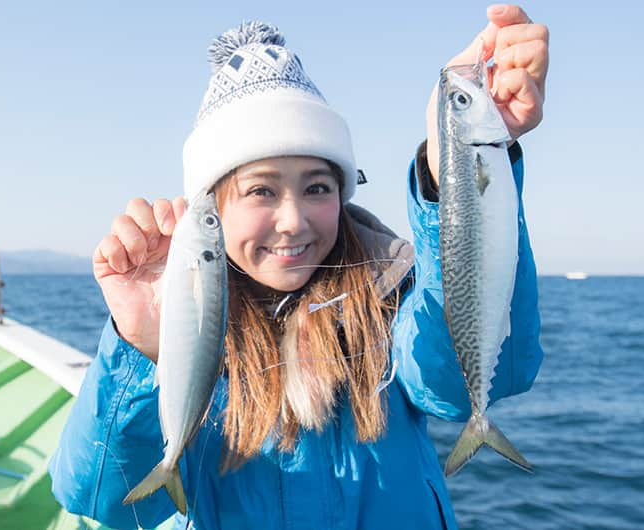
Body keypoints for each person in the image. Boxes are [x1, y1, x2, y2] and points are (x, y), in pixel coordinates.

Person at [49, 5, 549, 529]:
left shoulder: (389, 297)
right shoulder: (180, 338)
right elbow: (104, 498)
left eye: (317, 187)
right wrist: (141, 350)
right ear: (211, 209)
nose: (292, 220)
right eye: (261, 190)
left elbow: (465, 380)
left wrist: (455, 166)